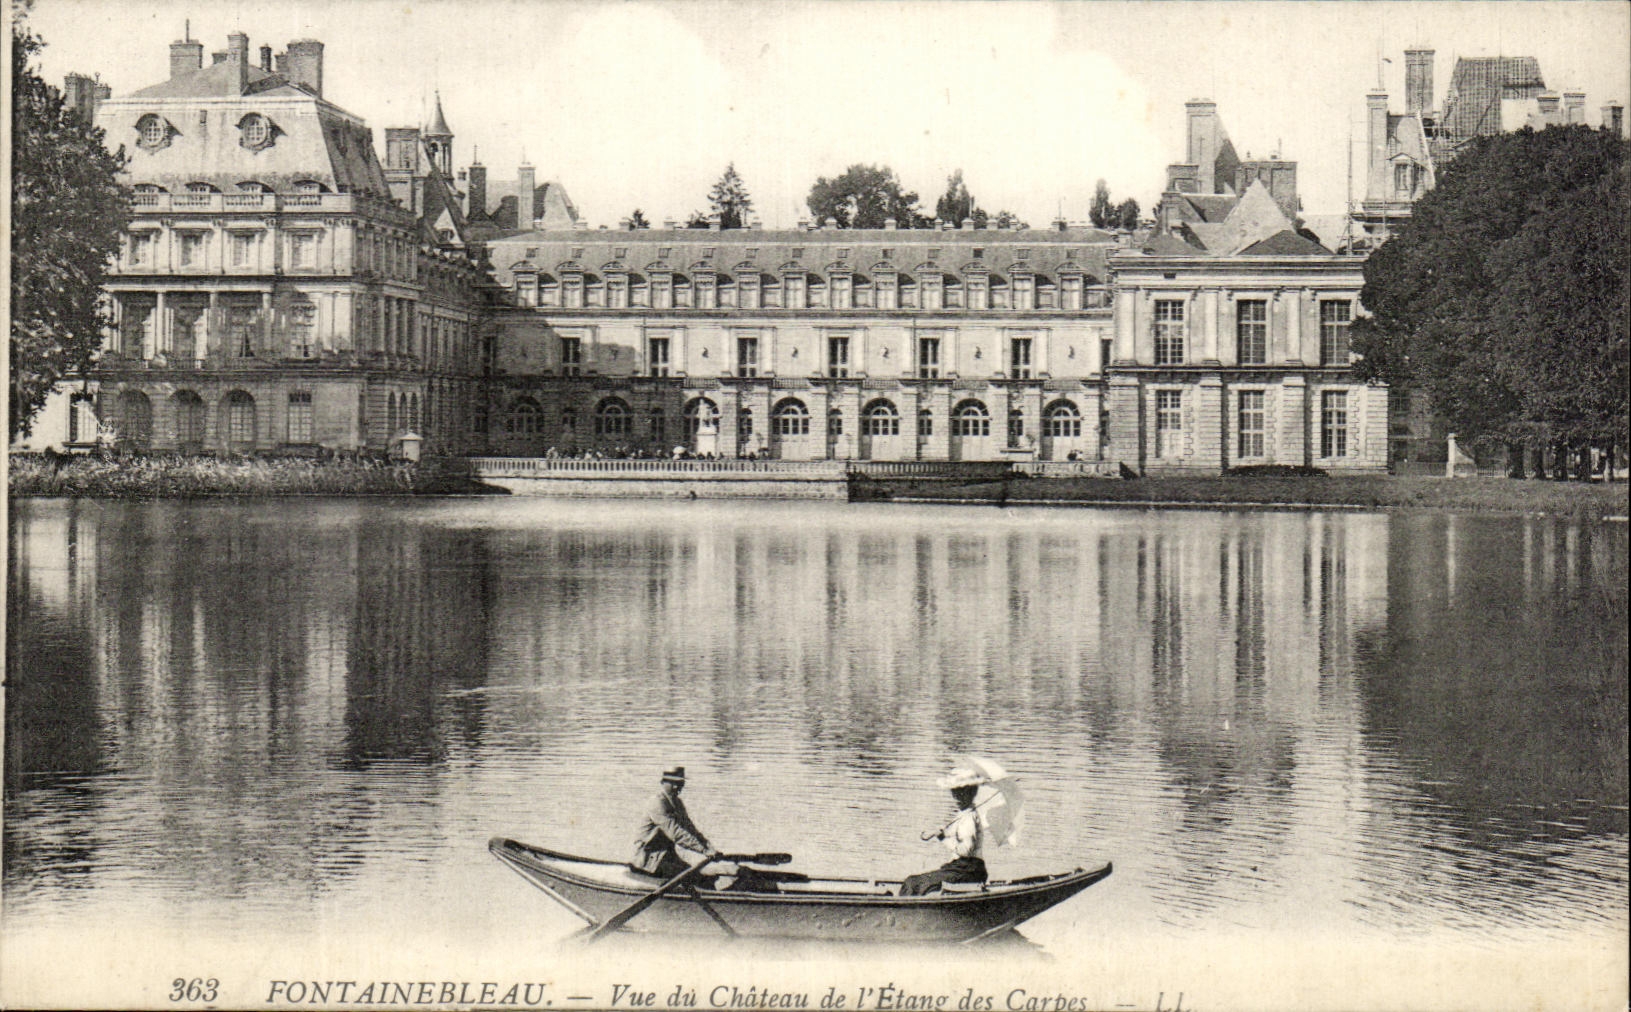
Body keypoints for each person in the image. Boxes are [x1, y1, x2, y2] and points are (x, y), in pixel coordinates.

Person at [900, 768, 988, 896]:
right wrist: (943, 833)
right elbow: (953, 833)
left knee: (914, 883)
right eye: (954, 792)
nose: (956, 796)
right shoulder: (964, 813)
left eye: (961, 792)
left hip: (968, 871)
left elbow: (965, 851)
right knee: (913, 881)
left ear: (971, 792)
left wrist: (943, 838)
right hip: (962, 868)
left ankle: (907, 910)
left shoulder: (968, 818)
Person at [631, 766, 717, 880]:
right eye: (672, 783)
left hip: (666, 856)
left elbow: (690, 828)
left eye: (680, 783)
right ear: (663, 783)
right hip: (647, 861)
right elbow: (676, 833)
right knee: (692, 879)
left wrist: (709, 846)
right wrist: (703, 850)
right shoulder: (657, 803)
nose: (677, 787)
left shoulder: (677, 803)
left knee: (701, 877)